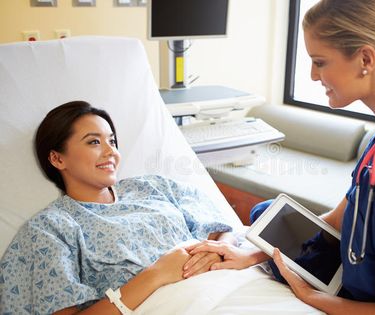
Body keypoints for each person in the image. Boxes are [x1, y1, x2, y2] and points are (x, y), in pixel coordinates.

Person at [184, 0, 375, 314]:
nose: (311, 75)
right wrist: (252, 255)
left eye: (320, 62)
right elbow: (339, 219)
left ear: (365, 58)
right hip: (351, 286)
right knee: (264, 214)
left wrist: (314, 298)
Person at [0, 101, 236, 314]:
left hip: (229, 285)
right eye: (94, 142)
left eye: (111, 141)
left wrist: (217, 251)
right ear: (57, 159)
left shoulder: (153, 186)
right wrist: (156, 274)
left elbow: (224, 229)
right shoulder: (51, 229)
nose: (111, 151)